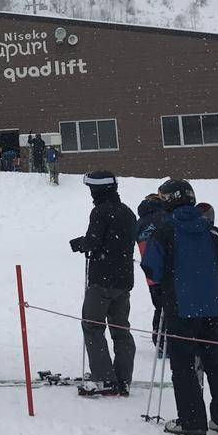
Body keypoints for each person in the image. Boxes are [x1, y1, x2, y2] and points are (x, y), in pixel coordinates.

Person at [142, 179, 218, 435]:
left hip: (181, 306)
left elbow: (152, 267)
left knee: (183, 365)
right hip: (212, 306)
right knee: (216, 361)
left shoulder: (165, 232)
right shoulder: (212, 232)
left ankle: (192, 421)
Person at [69, 170, 137, 397]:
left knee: (93, 326)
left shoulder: (100, 212)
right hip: (124, 280)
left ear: (97, 190)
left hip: (102, 280)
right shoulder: (127, 212)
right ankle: (123, 378)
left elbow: (94, 242)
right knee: (121, 329)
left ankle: (104, 379)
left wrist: (80, 244)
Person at [134, 193, 169, 355]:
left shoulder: (139, 222)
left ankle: (159, 340)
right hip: (168, 270)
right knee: (171, 308)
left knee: (159, 306)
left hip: (150, 272)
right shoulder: (165, 217)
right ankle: (170, 341)